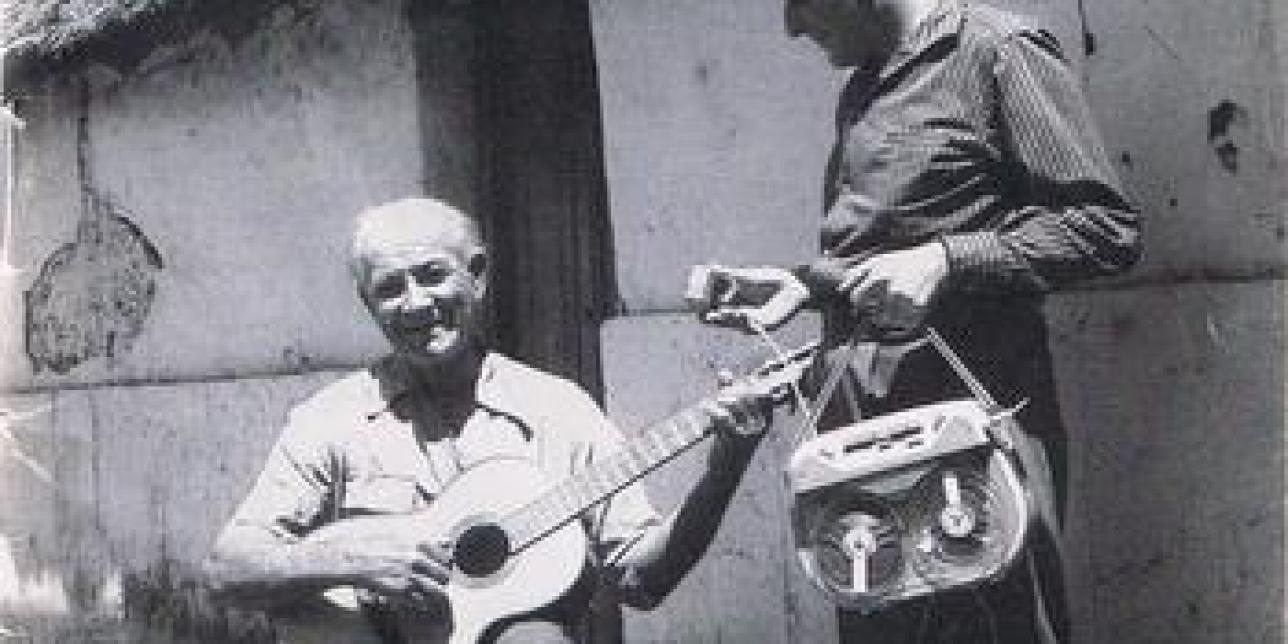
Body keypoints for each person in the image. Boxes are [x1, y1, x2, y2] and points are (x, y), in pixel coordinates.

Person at [698, 0, 1141, 642]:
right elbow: (892, 250)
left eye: (799, 2)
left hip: (971, 445)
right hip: (861, 455)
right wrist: (806, 283)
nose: (792, 27)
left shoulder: (999, 51)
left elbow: (1105, 228)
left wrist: (947, 261)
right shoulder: (863, 86)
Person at [204, 197, 771, 643]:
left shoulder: (559, 410)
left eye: (431, 275)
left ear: (476, 277)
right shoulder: (330, 419)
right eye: (389, 289)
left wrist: (726, 466)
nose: (415, 303)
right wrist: (355, 561)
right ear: (367, 304)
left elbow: (642, 581)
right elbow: (227, 570)